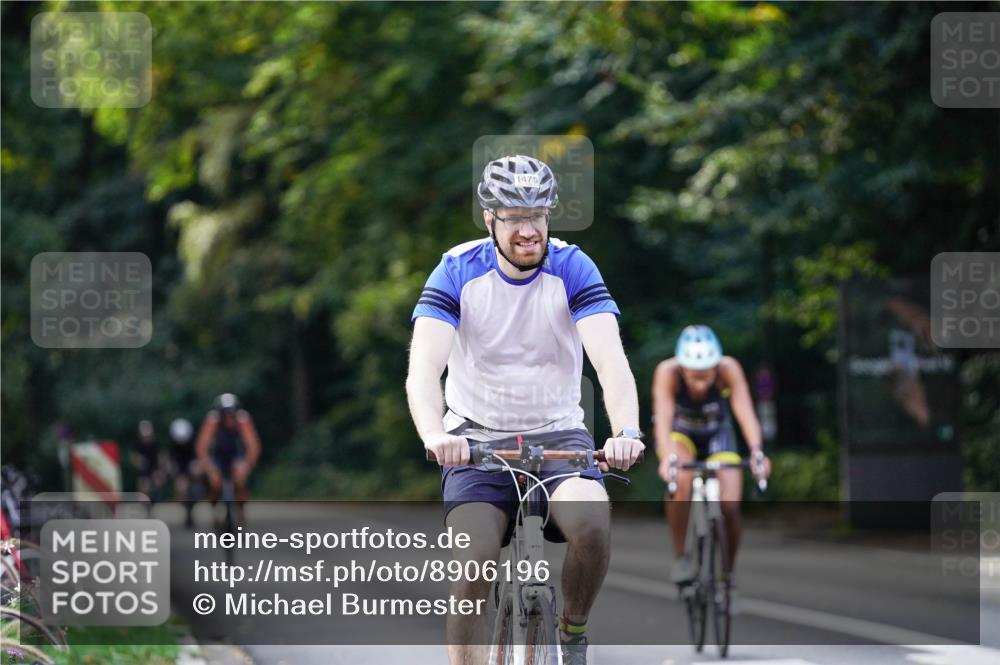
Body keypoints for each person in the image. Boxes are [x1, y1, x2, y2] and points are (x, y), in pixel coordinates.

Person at [406, 155, 644, 665]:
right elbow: (424, 372)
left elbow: (611, 362)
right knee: (473, 564)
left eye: (537, 215)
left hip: (560, 437)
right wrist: (435, 434)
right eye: (514, 218)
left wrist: (627, 430)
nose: (528, 230)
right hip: (477, 441)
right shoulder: (457, 270)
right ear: (489, 218)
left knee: (594, 526)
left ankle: (572, 632)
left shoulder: (572, 266)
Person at [652, 325, 771, 593]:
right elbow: (663, 417)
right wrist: (666, 457)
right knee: (680, 478)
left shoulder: (728, 368)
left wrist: (757, 452)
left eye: (706, 376)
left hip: (718, 434)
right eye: (694, 376)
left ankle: (727, 572)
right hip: (681, 436)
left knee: (730, 506)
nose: (700, 384)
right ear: (682, 368)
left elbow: (745, 412)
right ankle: (681, 556)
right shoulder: (668, 372)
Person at [194, 394, 261, 525]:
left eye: (231, 413)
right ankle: (214, 512)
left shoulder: (243, 420)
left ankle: (241, 511)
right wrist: (208, 466)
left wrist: (247, 464)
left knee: (240, 482)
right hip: (218, 457)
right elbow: (202, 446)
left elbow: (253, 446)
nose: (228, 416)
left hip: (236, 456)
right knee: (215, 484)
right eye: (225, 413)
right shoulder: (212, 421)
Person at [168, 418, 201, 528]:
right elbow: (172, 463)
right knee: (181, 489)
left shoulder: (194, 444)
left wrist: (196, 466)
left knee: (196, 474)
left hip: (191, 468)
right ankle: (186, 507)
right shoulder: (173, 446)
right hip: (180, 470)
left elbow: (198, 458)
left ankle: (196, 492)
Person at [131, 420, 167, 504]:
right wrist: (138, 461)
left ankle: (155, 499)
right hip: (144, 469)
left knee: (158, 480)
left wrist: (161, 470)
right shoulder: (138, 445)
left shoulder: (156, 444)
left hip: (155, 468)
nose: (146, 438)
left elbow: (162, 457)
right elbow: (134, 458)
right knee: (143, 485)